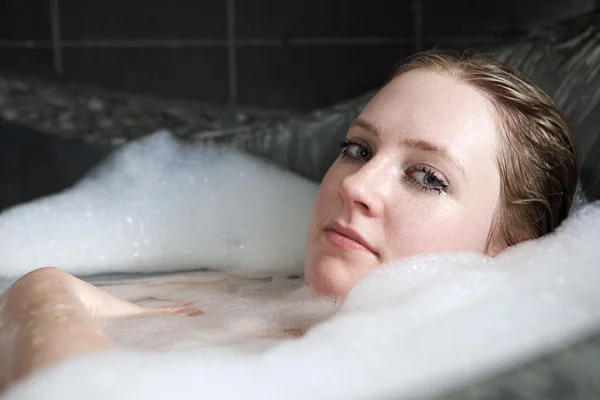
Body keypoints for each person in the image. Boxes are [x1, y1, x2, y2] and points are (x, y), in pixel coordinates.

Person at [0, 49, 579, 389]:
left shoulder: (408, 376)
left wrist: (41, 292)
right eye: (358, 148)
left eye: (427, 176)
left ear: (510, 251)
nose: (357, 185)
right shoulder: (243, 296)